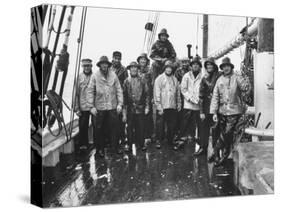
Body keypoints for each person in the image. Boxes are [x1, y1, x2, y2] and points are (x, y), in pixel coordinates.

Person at [210, 57, 251, 166]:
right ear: (222, 68)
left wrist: (244, 80)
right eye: (224, 67)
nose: (226, 68)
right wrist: (214, 112)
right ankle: (222, 154)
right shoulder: (219, 80)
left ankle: (217, 152)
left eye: (227, 66)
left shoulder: (236, 77)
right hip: (222, 112)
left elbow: (245, 88)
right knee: (225, 134)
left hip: (234, 111)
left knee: (227, 133)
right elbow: (215, 97)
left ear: (231, 67)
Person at [87, 56, 123, 157]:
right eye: (102, 64)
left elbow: (119, 90)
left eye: (106, 64)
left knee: (114, 129)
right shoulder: (95, 76)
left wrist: (120, 104)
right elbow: (90, 91)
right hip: (100, 108)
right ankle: (100, 150)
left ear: (108, 65)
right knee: (98, 130)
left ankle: (115, 148)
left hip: (112, 106)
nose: (104, 65)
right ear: (100, 65)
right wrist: (91, 107)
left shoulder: (113, 75)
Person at [194, 57, 221, 157]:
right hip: (206, 107)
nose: (209, 67)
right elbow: (201, 95)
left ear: (214, 66)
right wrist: (201, 111)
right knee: (203, 129)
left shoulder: (219, 76)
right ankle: (203, 148)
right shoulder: (204, 78)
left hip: (217, 108)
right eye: (207, 65)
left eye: (211, 65)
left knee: (216, 130)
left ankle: (215, 151)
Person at [123, 62, 150, 152]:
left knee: (141, 127)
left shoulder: (143, 80)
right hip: (130, 109)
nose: (134, 69)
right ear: (129, 69)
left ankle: (141, 144)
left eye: (135, 68)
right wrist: (124, 112)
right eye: (132, 68)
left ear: (137, 69)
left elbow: (147, 95)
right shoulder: (126, 81)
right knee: (129, 128)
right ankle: (129, 145)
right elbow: (124, 97)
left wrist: (147, 107)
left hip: (140, 108)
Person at [154, 60, 181, 149]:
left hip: (172, 106)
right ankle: (159, 140)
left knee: (172, 125)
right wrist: (159, 106)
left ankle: (170, 140)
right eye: (167, 68)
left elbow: (177, 93)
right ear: (164, 68)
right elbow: (156, 93)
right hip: (162, 106)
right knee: (160, 125)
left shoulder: (175, 79)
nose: (169, 70)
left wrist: (178, 104)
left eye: (170, 68)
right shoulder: (159, 79)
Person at [178, 56, 203, 145]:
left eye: (197, 65)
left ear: (200, 66)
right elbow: (183, 89)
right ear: (191, 66)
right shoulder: (186, 76)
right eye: (193, 65)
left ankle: (199, 139)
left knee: (199, 123)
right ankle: (182, 139)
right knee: (185, 122)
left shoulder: (203, 76)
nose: (195, 66)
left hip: (198, 104)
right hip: (188, 103)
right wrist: (190, 98)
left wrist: (199, 99)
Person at [74, 58, 94, 150]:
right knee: (83, 126)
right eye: (85, 66)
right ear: (82, 67)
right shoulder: (79, 77)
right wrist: (76, 108)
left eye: (88, 66)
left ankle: (96, 143)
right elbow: (75, 93)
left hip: (94, 106)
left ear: (91, 66)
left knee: (97, 126)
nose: (87, 67)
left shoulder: (95, 76)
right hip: (83, 107)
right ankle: (83, 144)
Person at [110, 51, 128, 147]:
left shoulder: (124, 70)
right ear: (112, 58)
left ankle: (122, 137)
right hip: (111, 96)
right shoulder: (109, 69)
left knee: (121, 118)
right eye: (115, 58)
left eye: (118, 58)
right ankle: (112, 139)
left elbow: (126, 83)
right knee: (112, 118)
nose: (117, 60)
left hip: (121, 95)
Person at [137, 53, 154, 143]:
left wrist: (152, 96)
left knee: (148, 116)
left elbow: (153, 83)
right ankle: (139, 136)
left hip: (148, 95)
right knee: (139, 117)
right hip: (138, 97)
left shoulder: (150, 71)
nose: (142, 61)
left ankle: (148, 135)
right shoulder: (136, 70)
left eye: (144, 59)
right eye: (141, 59)